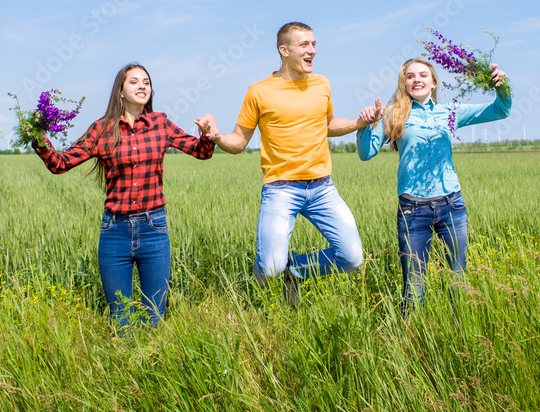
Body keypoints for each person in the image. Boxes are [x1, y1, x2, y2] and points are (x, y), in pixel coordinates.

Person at [32, 63, 215, 327]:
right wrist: (37, 136)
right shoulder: (101, 129)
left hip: (154, 229)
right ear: (120, 90)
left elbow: (201, 151)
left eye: (146, 82)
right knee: (121, 319)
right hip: (114, 232)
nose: (142, 86)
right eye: (134, 82)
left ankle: (152, 366)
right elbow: (60, 164)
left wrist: (207, 136)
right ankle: (122, 365)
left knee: (154, 317)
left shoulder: (160, 123)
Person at [201, 22, 371, 305]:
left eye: (314, 44)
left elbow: (328, 123)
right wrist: (216, 137)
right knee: (269, 269)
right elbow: (239, 141)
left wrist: (359, 122)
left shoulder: (322, 84)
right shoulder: (258, 91)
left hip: (322, 189)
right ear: (284, 50)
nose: (312, 50)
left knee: (352, 258)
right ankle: (273, 273)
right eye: (304, 45)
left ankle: (297, 271)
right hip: (281, 190)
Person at [355, 57, 510, 314]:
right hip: (412, 210)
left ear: (433, 82)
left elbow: (500, 110)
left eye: (423, 75)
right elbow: (365, 153)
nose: (417, 79)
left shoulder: (449, 112)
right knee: (414, 289)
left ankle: (460, 338)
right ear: (404, 84)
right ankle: (411, 343)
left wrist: (502, 86)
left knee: (458, 281)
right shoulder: (394, 114)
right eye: (410, 76)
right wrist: (364, 125)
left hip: (451, 205)